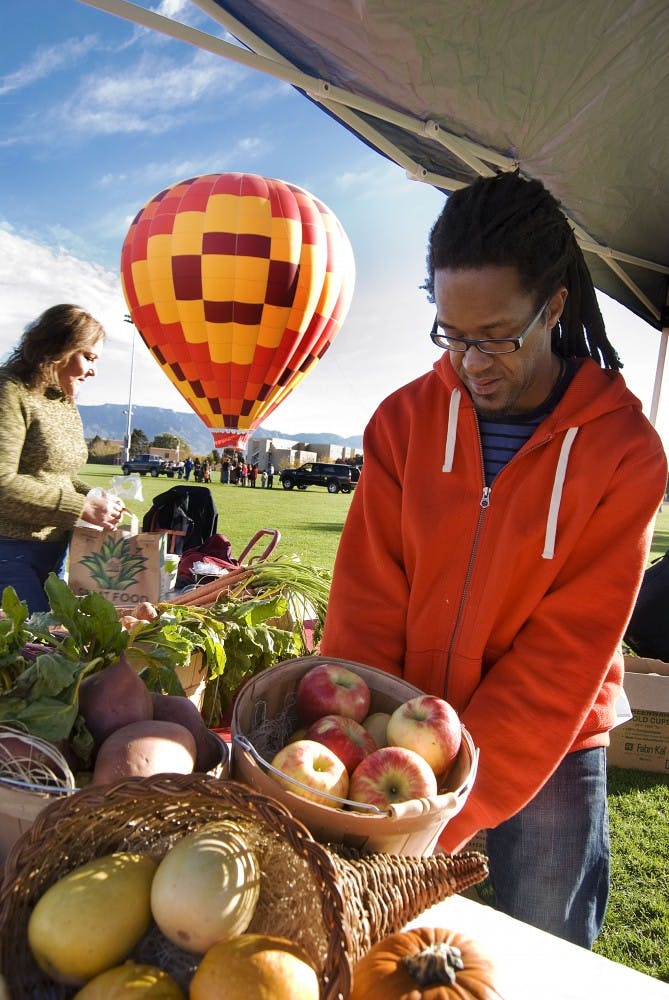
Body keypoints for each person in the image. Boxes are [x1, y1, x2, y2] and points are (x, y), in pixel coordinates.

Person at [320, 171, 667, 949]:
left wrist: (453, 812)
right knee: (400, 952)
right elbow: (366, 603)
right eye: (451, 333)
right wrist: (352, 735)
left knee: (545, 945)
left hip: (554, 742)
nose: (472, 361)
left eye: (497, 336)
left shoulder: (625, 452)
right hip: (402, 725)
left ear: (554, 307)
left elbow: (565, 650)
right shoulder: (402, 422)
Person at [0, 304, 125, 613]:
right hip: (9, 552)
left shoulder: (62, 399)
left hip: (55, 551)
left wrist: (96, 498)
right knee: (34, 649)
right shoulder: (10, 392)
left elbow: (60, 475)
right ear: (56, 349)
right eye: (89, 357)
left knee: (55, 643)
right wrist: (81, 506)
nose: (94, 371)